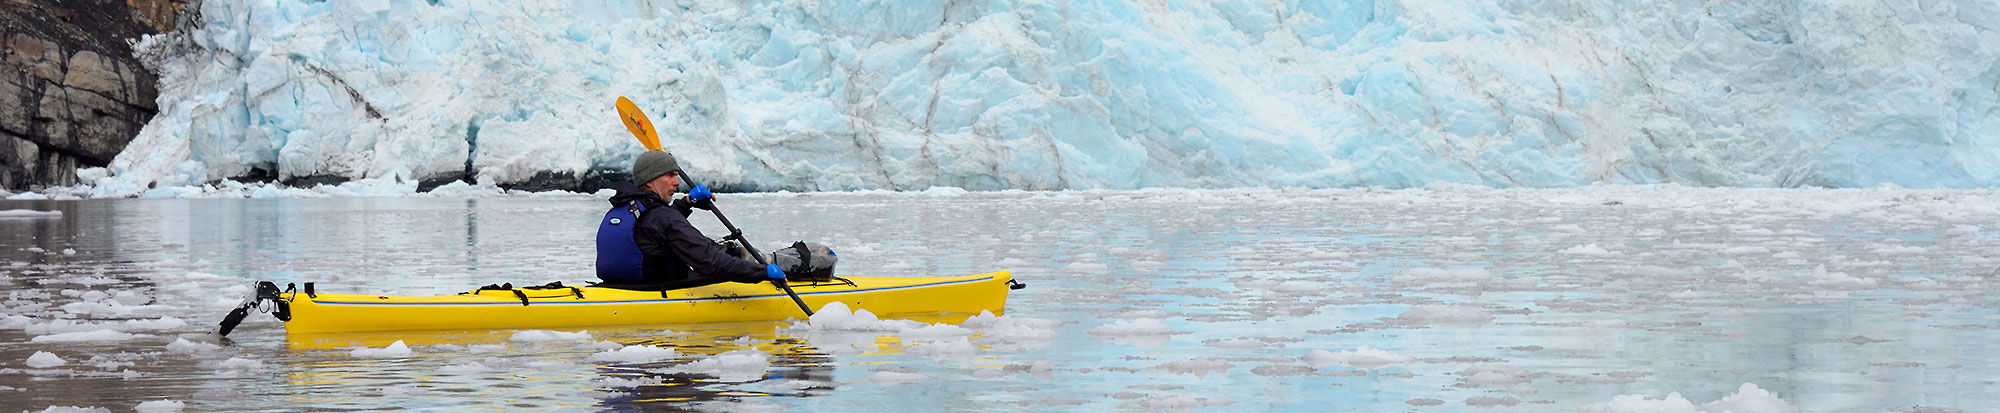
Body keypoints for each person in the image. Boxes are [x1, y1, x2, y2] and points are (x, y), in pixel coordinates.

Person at [596, 150, 785, 288]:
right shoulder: (663, 217)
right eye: (670, 176)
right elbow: (710, 262)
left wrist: (686, 203)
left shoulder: (624, 208)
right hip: (664, 286)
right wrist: (762, 272)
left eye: (677, 176)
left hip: (624, 284)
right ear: (649, 180)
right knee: (747, 257)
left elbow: (655, 230)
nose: (677, 183)